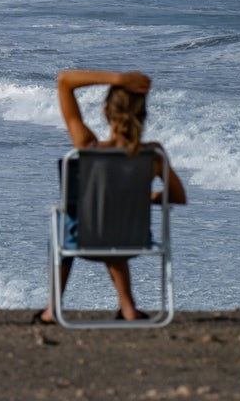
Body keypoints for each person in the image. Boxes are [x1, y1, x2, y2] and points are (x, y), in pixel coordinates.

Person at [35, 69, 187, 324]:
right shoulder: (154, 155)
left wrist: (117, 79)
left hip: (83, 240)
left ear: (106, 113)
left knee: (65, 219)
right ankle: (128, 308)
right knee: (113, 218)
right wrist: (145, 198)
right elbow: (179, 197)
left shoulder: (87, 146)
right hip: (133, 239)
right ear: (144, 116)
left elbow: (64, 81)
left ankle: (52, 309)